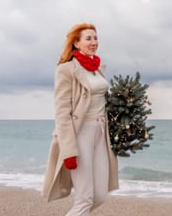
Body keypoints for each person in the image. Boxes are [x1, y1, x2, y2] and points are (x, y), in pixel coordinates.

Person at [43, 23, 119, 216]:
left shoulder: (98, 67)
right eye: (88, 38)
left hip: (101, 133)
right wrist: (69, 151)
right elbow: (62, 112)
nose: (94, 42)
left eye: (95, 38)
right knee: (85, 198)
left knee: (100, 195)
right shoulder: (66, 70)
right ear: (76, 43)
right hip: (80, 133)